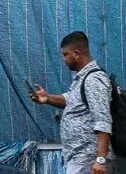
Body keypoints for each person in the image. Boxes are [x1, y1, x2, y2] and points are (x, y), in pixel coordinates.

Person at [30, 31, 117, 174]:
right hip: (82, 157)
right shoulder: (82, 78)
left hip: (89, 158)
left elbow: (103, 120)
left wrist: (100, 160)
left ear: (76, 53)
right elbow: (71, 100)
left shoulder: (94, 79)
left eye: (66, 54)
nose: (63, 59)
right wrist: (47, 98)